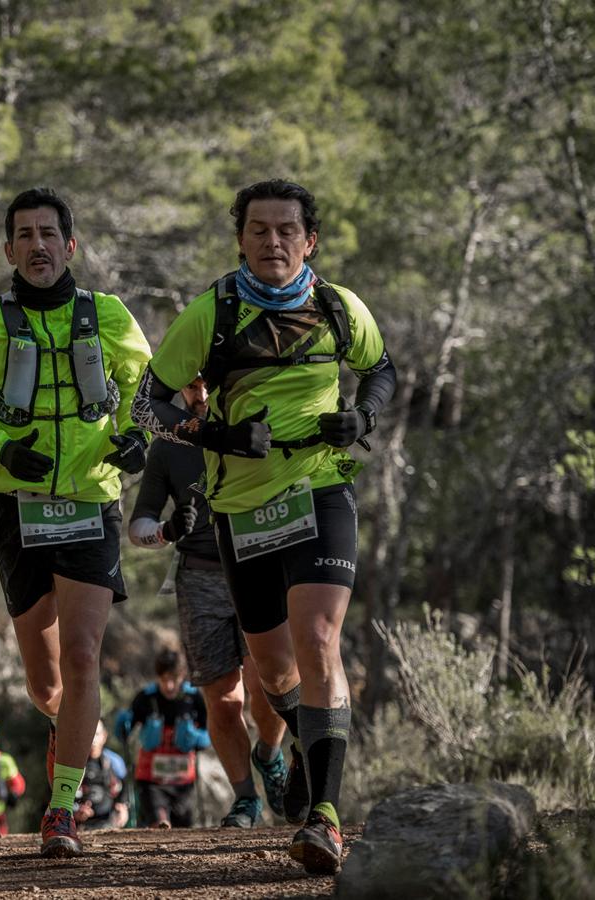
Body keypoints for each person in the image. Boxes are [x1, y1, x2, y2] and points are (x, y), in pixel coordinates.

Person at [131, 179, 397, 874]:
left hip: (321, 492)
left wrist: (362, 417)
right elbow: (145, 406)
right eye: (258, 230)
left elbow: (382, 370)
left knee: (318, 640)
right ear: (241, 238)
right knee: (274, 671)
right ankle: (307, 756)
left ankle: (324, 818)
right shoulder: (212, 313)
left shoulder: (338, 307)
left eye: (287, 230)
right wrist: (214, 434)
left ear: (309, 241)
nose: (272, 241)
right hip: (241, 510)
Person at [0, 186, 152, 857]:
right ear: (9, 249)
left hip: (91, 499)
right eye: (24, 235)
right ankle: (72, 734)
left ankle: (63, 808)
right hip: (18, 507)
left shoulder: (109, 315)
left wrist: (134, 438)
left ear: (70, 245)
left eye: (48, 234)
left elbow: (147, 390)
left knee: (85, 655)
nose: (37, 245)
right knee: (45, 681)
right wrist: (0, 447)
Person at [127, 376, 291, 828]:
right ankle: (245, 799)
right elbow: (138, 527)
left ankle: (270, 753)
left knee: (270, 687)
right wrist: (167, 531)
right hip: (199, 579)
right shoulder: (168, 446)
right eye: (193, 387)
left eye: (207, 385)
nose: (201, 395)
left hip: (258, 566)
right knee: (223, 701)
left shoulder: (260, 431)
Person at [114, 649, 210, 829]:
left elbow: (207, 732)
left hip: (183, 780)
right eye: (164, 679)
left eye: (174, 679)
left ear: (182, 675)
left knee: (184, 826)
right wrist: (123, 726)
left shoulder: (194, 697)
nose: (169, 686)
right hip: (151, 779)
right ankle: (160, 825)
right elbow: (126, 729)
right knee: (159, 820)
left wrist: (199, 739)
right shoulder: (146, 698)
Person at [74, 720, 128, 830]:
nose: (93, 740)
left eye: (97, 734)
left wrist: (123, 808)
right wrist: (75, 812)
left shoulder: (115, 762)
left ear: (104, 736)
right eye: (88, 734)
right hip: (78, 826)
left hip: (108, 823)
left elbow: (124, 791)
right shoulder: (74, 763)